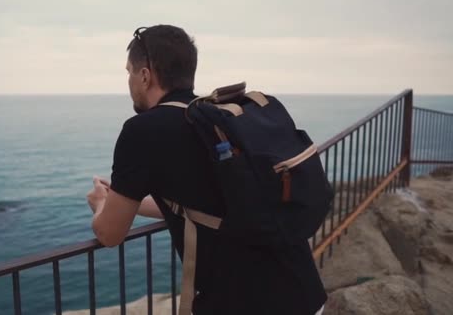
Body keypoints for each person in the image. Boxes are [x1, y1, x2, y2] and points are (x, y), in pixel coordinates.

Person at [86, 25, 326, 314]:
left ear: (145, 75)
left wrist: (101, 204)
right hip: (304, 293)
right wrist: (127, 202)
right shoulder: (212, 121)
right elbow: (204, 200)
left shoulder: (142, 131)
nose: (129, 81)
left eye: (129, 72)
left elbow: (110, 234)